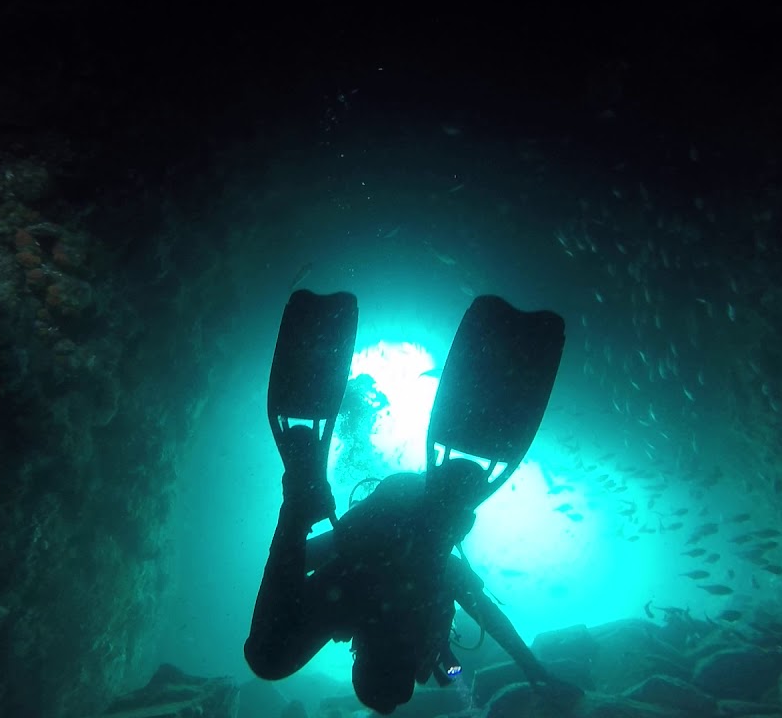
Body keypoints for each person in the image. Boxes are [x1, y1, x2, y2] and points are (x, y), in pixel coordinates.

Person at [244, 290, 582, 715]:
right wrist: (520, 672)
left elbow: (475, 626)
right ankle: (314, 499)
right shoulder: (421, 636)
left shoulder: (386, 621)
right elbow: (471, 634)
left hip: (398, 518)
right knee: (268, 660)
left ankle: (306, 498)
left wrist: (521, 672)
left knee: (269, 659)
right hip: (411, 517)